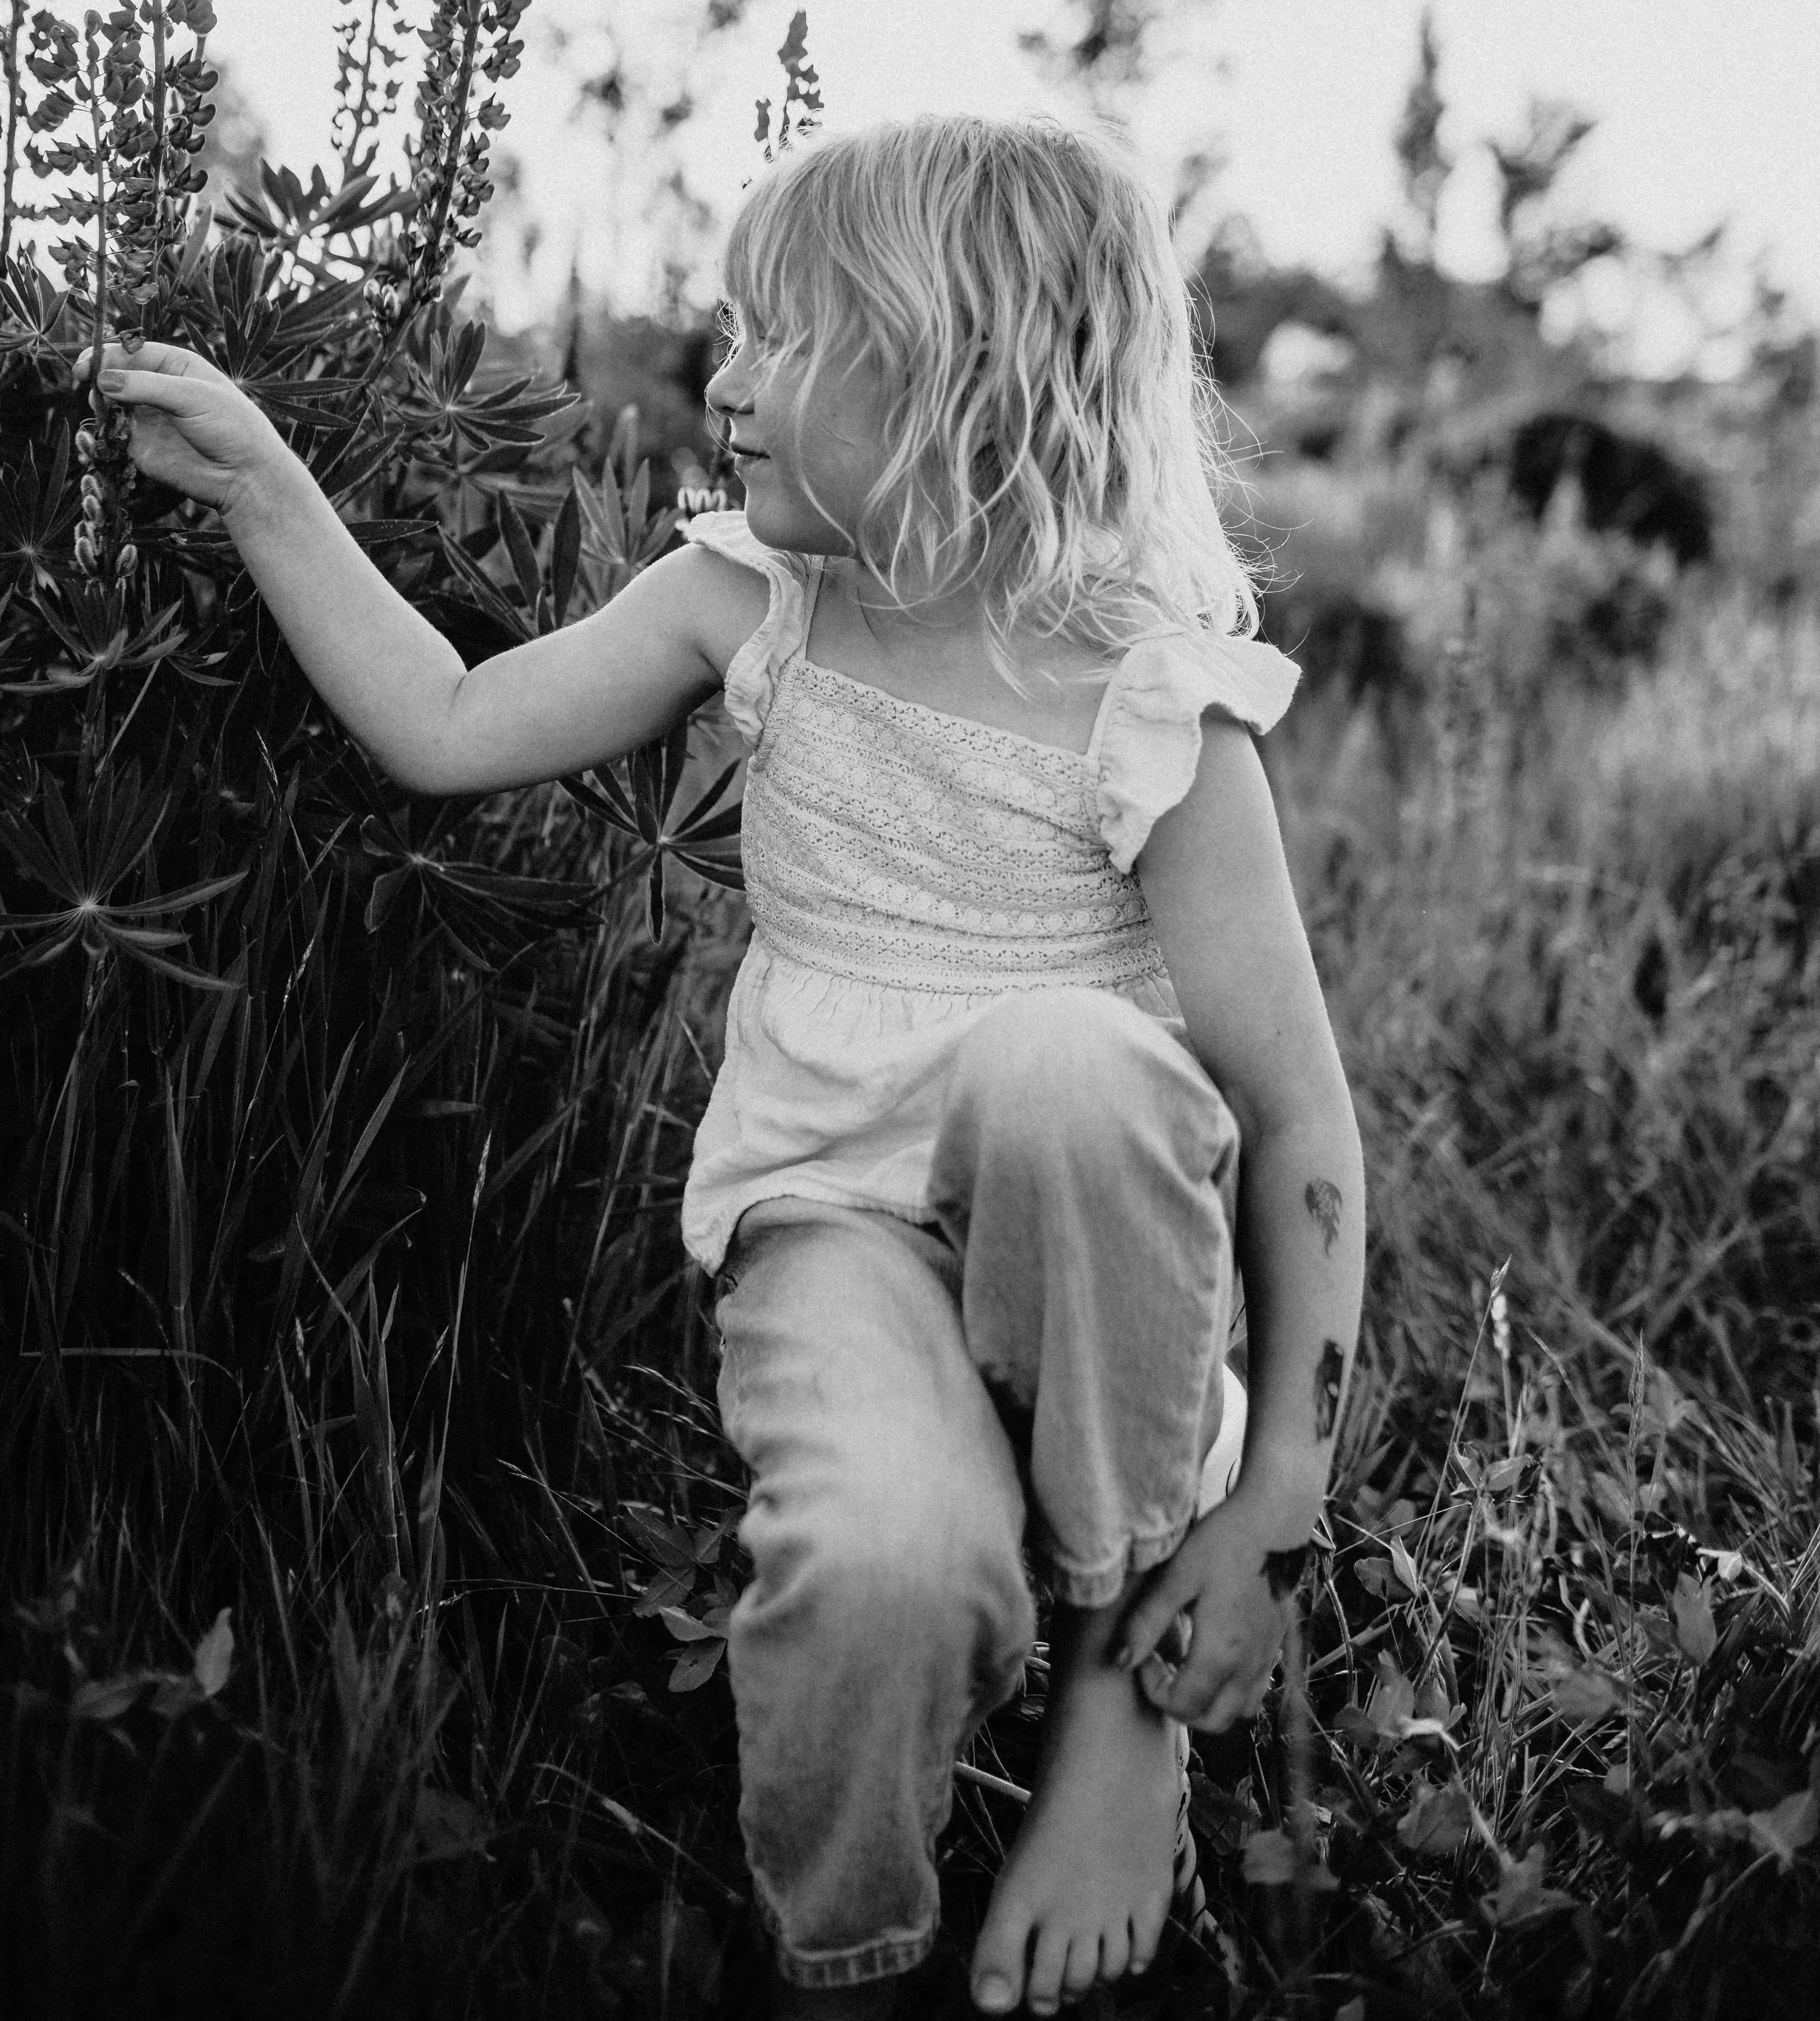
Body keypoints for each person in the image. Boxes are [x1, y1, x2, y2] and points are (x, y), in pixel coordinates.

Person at [78, 111, 1365, 2020]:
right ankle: (846, 1960)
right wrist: (264, 482)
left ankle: (1115, 1690)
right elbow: (442, 722)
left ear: (955, 377)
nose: (724, 377)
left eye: (780, 338)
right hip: (831, 1231)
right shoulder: (743, 601)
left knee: (1069, 1068)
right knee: (871, 1567)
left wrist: (1273, 1515)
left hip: (1101, 1291)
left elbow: (1292, 1123)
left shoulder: (1152, 699)